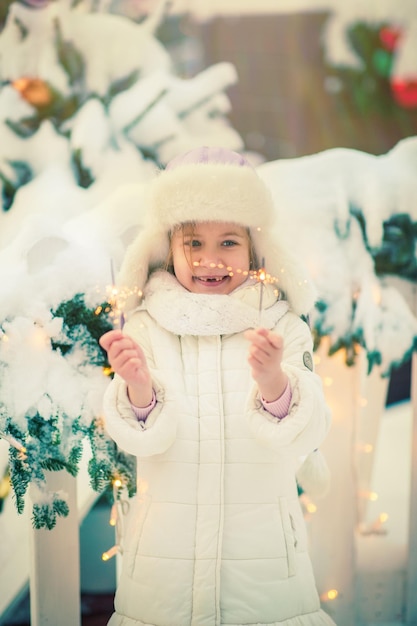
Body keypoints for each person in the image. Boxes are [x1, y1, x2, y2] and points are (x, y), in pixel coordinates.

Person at [99, 146, 336, 626]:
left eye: (229, 242)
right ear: (168, 248)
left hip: (265, 575)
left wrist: (274, 384)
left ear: (256, 249)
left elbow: (307, 433)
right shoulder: (147, 327)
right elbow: (142, 438)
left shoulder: (281, 326)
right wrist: (138, 387)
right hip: (163, 573)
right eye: (194, 243)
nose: (211, 259)